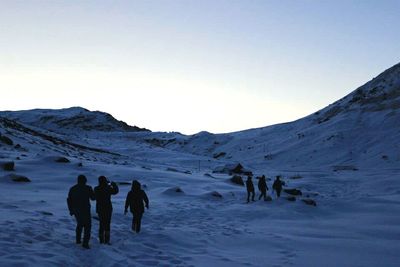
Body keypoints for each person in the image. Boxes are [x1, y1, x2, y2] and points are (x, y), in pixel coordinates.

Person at [67, 175, 95, 249]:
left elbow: (69, 200)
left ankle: (78, 240)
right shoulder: (88, 188)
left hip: (76, 210)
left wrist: (71, 210)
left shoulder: (73, 189)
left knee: (79, 224)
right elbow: (93, 198)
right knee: (87, 226)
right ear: (85, 180)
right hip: (85, 209)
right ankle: (85, 243)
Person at [94, 176, 119, 245]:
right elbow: (115, 191)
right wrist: (113, 185)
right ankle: (107, 240)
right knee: (107, 224)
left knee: (101, 224)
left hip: (99, 208)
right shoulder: (108, 188)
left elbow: (94, 197)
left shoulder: (96, 188)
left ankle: (101, 240)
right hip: (108, 208)